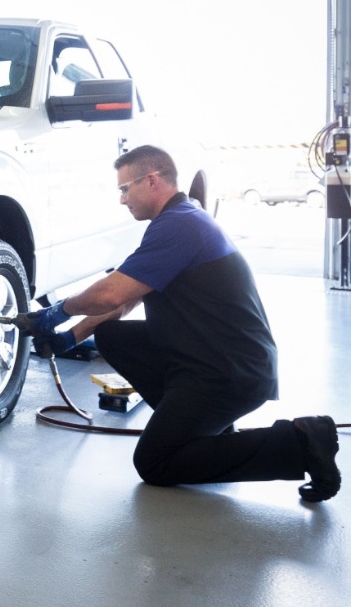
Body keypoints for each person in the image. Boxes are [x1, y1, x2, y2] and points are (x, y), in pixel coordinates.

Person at [23, 145, 340, 502]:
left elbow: (112, 293)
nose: (122, 200)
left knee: (154, 462)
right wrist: (71, 338)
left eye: (125, 189)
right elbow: (128, 298)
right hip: (213, 356)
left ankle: (301, 441)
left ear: (152, 181)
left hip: (230, 372)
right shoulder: (181, 220)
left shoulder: (180, 227)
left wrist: (58, 310)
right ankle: (202, 429)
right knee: (112, 335)